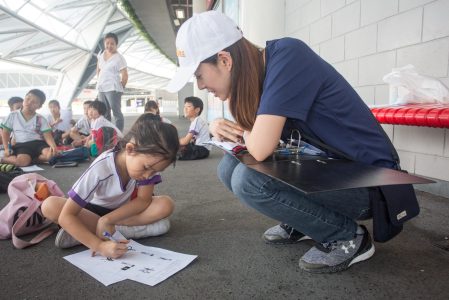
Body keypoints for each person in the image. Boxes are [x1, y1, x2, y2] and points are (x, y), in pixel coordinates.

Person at [166, 11, 405, 273]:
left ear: (224, 60)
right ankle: (305, 221)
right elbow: (253, 138)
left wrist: (236, 130)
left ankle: (348, 237)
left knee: (248, 180)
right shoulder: (261, 74)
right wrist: (213, 124)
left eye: (199, 75)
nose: (200, 86)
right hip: (335, 170)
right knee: (229, 168)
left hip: (374, 184)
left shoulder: (289, 56)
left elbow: (259, 148)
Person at [41, 113, 180, 256]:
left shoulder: (149, 163)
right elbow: (67, 215)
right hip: (93, 211)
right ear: (130, 149)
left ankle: (101, 231)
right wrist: (100, 246)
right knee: (50, 205)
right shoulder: (101, 168)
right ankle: (118, 233)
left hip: (125, 214)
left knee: (165, 204)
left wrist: (108, 220)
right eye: (146, 168)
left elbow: (143, 200)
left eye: (155, 172)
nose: (148, 176)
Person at [1, 89, 58, 167]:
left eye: (34, 102)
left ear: (39, 106)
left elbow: (48, 135)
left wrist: (53, 147)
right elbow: (5, 132)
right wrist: (6, 148)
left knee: (51, 155)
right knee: (22, 162)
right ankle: (3, 159)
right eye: (28, 99)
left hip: (39, 144)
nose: (29, 102)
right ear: (24, 99)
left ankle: (32, 159)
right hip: (22, 145)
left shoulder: (41, 118)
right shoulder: (13, 115)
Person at [96, 32, 128, 132]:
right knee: (104, 113)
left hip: (113, 88)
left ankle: (118, 136)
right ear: (104, 43)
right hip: (101, 88)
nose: (109, 46)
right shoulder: (101, 54)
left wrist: (121, 88)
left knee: (116, 113)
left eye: (112, 43)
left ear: (116, 44)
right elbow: (98, 68)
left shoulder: (119, 58)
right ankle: (107, 136)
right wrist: (99, 80)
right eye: (107, 43)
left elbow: (125, 75)